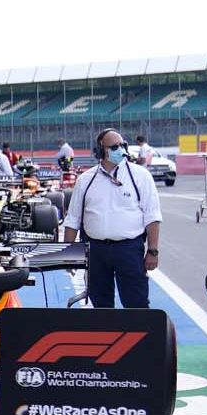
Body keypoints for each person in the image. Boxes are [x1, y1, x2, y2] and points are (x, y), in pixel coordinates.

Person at [62, 128, 162, 308]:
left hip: (129, 249)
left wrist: (153, 251)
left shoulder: (140, 176)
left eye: (123, 145)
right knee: (100, 304)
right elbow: (73, 219)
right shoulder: (85, 180)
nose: (120, 150)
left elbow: (152, 216)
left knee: (136, 303)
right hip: (95, 250)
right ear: (101, 151)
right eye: (114, 146)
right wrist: (68, 256)